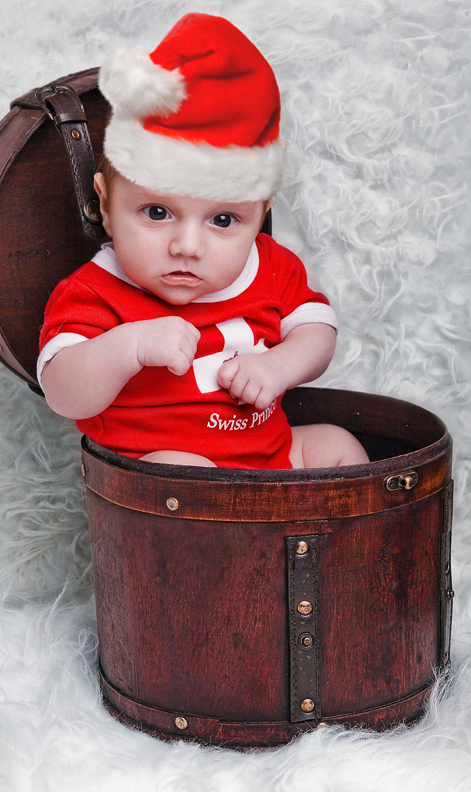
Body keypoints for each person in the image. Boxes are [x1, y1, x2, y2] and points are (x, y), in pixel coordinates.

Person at [38, 13, 369, 470]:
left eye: (223, 219)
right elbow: (63, 393)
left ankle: (319, 539)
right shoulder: (93, 292)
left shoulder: (270, 265)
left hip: (272, 458)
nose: (187, 246)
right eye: (157, 212)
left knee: (338, 446)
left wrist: (280, 366)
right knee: (184, 472)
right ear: (106, 203)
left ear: (261, 213)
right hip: (164, 482)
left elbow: (317, 331)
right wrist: (128, 347)